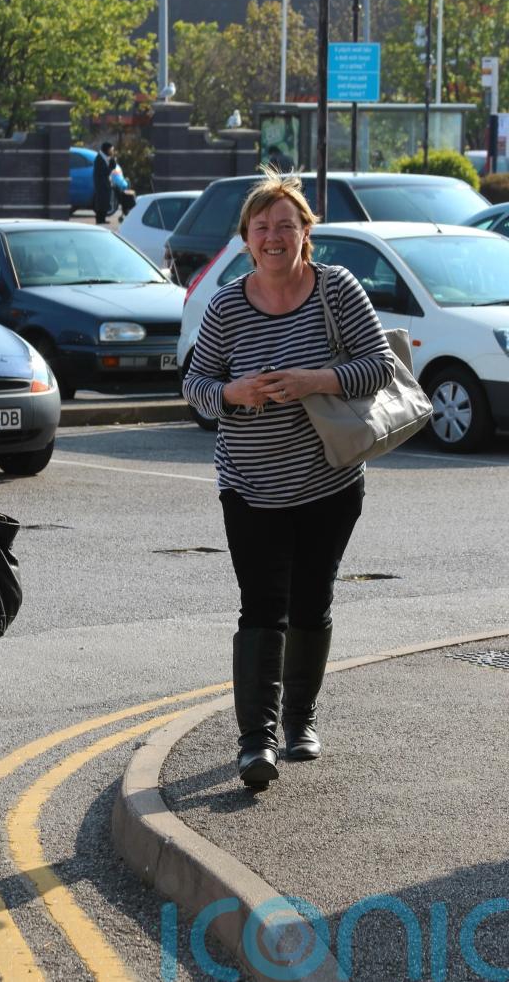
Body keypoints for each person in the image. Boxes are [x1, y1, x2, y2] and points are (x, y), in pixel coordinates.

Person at [183, 169, 394, 789]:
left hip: (329, 483)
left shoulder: (337, 288)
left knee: (311, 601)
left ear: (306, 231)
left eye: (285, 225)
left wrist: (314, 380)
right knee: (261, 606)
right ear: (246, 238)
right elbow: (196, 387)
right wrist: (232, 392)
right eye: (262, 227)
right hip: (249, 487)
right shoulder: (226, 305)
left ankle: (300, 719)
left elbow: (380, 366)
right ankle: (255, 742)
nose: (273, 236)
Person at [93, 141, 117, 224]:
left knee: (105, 201)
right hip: (101, 184)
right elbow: (104, 172)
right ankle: (99, 219)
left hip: (105, 183)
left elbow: (109, 170)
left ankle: (102, 219)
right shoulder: (99, 159)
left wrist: (113, 163)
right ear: (106, 150)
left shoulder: (105, 157)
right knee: (101, 202)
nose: (112, 152)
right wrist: (111, 167)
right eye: (111, 150)